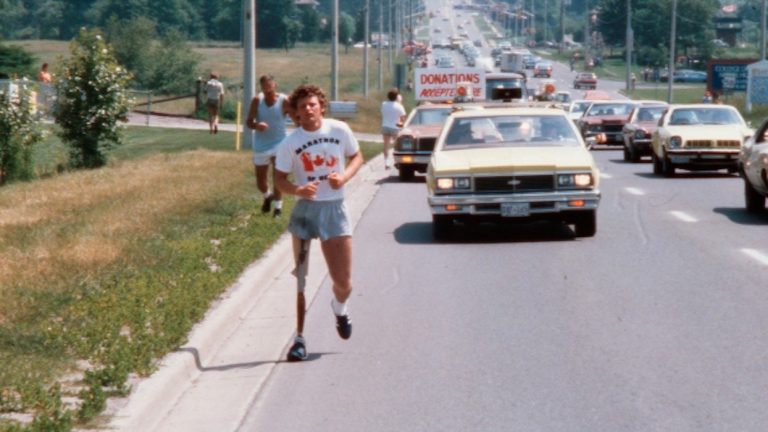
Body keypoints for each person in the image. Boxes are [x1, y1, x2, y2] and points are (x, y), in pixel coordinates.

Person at [274, 84, 364, 362]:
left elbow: (357, 156)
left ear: (321, 107)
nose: (308, 110)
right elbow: (278, 179)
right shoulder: (290, 143)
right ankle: (299, 339)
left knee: (344, 282)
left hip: (335, 210)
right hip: (306, 211)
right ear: (296, 114)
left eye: (313, 105)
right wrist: (297, 191)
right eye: (302, 107)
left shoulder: (338, 130)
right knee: (301, 279)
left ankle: (339, 308)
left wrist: (344, 178)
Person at [246, 75, 292, 217]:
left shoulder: (284, 100)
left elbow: (296, 116)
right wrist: (256, 125)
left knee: (278, 177)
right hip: (261, 145)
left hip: (280, 143)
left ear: (275, 85)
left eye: (269, 86)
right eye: (264, 86)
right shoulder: (257, 100)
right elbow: (249, 122)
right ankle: (267, 196)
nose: (267, 89)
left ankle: (278, 208)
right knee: (260, 182)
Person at [380, 88, 406, 169]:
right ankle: (396, 161)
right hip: (395, 127)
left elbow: (383, 112)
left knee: (386, 145)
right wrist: (400, 102)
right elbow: (403, 118)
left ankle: (387, 163)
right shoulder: (399, 106)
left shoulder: (384, 104)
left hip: (385, 126)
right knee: (396, 146)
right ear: (397, 97)